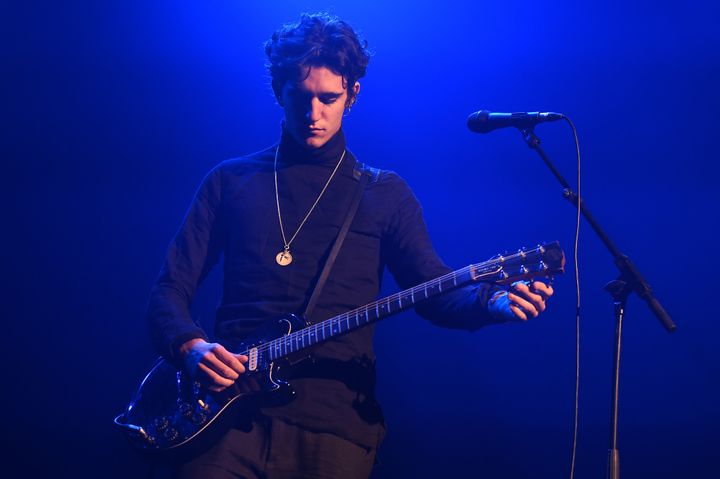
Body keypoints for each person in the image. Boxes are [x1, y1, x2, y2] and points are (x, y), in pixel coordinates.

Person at [146, 12, 554, 479]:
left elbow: (434, 290)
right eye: (300, 97)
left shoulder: (384, 194)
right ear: (278, 91)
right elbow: (167, 292)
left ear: (353, 94)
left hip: (332, 429)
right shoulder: (230, 182)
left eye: (329, 98)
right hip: (222, 428)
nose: (313, 114)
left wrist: (493, 301)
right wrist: (190, 346)